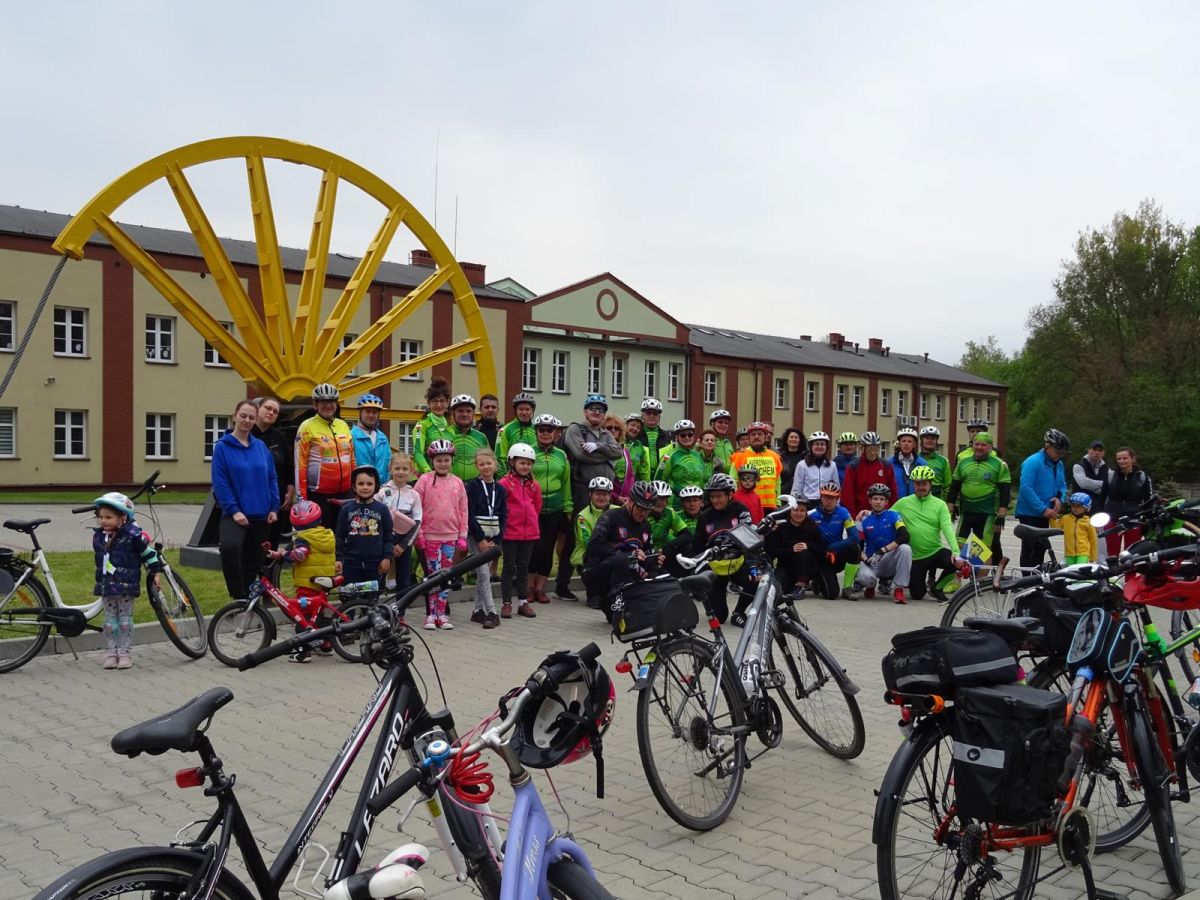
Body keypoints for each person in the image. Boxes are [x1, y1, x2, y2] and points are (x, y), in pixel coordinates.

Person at [213, 399, 280, 602]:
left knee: (253, 560)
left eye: (251, 417)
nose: (247, 420)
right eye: (243, 416)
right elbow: (220, 482)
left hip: (261, 514)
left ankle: (248, 602)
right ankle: (238, 596)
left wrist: (274, 507)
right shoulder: (222, 447)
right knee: (230, 548)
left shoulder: (260, 447)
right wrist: (234, 510)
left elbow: (272, 477)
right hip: (234, 514)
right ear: (235, 416)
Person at [90, 492, 163, 669]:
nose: (103, 521)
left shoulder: (132, 536)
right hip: (107, 585)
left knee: (124, 621)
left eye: (108, 517)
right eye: (101, 517)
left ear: (122, 518)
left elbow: (148, 554)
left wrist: (155, 572)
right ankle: (111, 652)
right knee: (109, 622)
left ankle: (124, 653)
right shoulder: (99, 537)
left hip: (126, 586)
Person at [270, 499, 336, 662]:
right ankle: (326, 644)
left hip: (308, 582)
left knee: (303, 615)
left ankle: (303, 651)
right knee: (319, 613)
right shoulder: (326, 535)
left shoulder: (304, 538)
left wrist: (286, 555)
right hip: (324, 580)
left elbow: (300, 554)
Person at [414, 439, 468, 630]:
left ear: (451, 460)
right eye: (439, 460)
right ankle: (430, 614)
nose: (443, 464)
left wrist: (463, 535)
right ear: (432, 461)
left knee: (446, 576)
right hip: (430, 536)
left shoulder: (458, 482)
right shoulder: (424, 480)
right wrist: (419, 533)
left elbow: (463, 510)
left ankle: (442, 613)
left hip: (451, 537)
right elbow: (416, 508)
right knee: (432, 576)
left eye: (446, 460)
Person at [583, 481, 658, 618]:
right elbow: (594, 547)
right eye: (640, 508)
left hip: (626, 574)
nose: (643, 514)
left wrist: (655, 559)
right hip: (596, 572)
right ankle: (614, 605)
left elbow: (647, 553)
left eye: (648, 510)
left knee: (659, 568)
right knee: (621, 559)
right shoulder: (610, 516)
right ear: (630, 502)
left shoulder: (646, 526)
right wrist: (629, 554)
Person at [892, 465, 963, 602]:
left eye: (924, 484)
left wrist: (956, 551)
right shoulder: (903, 503)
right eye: (917, 484)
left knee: (955, 562)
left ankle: (937, 588)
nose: (920, 487)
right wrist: (867, 514)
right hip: (915, 557)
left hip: (934, 551)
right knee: (917, 595)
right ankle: (922, 583)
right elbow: (886, 517)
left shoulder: (940, 505)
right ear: (913, 484)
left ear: (930, 484)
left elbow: (947, 528)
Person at [692, 473, 754, 624]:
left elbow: (750, 540)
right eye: (712, 496)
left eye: (719, 496)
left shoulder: (741, 510)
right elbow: (698, 547)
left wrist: (753, 565)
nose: (715, 500)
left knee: (756, 580)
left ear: (730, 495)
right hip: (716, 568)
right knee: (719, 617)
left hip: (737, 562)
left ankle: (739, 612)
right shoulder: (704, 517)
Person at [295, 383, 355, 528]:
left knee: (345, 535)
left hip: (346, 494)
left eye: (332, 401)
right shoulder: (306, 426)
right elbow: (300, 464)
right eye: (323, 402)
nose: (328, 405)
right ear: (315, 404)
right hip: (319, 495)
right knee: (323, 537)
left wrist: (356, 487)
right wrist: (301, 498)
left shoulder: (343, 425)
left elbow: (352, 459)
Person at [946, 432, 1010, 565]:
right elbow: (954, 488)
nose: (979, 447)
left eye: (983, 445)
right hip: (967, 513)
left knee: (983, 551)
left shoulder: (999, 464)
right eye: (976, 444)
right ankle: (964, 575)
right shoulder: (963, 463)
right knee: (960, 547)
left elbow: (1005, 491)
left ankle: (982, 578)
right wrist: (949, 510)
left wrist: (1002, 515)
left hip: (987, 514)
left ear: (991, 447)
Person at [529, 413, 573, 604]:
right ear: (536, 432)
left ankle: (540, 588)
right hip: (533, 509)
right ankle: (529, 587)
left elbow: (566, 482)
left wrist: (568, 507)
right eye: (542, 430)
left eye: (549, 430)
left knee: (548, 550)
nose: (545, 433)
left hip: (555, 508)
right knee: (535, 549)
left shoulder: (561, 455)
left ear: (556, 433)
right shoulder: (529, 452)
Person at [1016, 428, 1070, 568]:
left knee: (1041, 547)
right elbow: (1026, 488)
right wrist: (1042, 509)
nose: (1060, 455)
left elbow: (1062, 485)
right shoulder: (1033, 462)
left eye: (1062, 453)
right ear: (1048, 446)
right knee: (1029, 547)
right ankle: (1026, 577)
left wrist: (1059, 499)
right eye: (1058, 452)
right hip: (1029, 512)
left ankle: (1037, 576)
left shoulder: (1058, 464)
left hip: (1046, 513)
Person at [499, 442, 542, 619]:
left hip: (529, 533)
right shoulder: (504, 483)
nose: (525, 466)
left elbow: (537, 507)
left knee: (524, 568)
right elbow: (500, 506)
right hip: (510, 533)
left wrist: (531, 523)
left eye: (529, 463)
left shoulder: (534, 486)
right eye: (522, 463)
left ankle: (523, 603)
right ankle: (506, 602)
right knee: (509, 568)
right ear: (512, 462)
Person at [335, 465, 393, 593]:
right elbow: (339, 536)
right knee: (349, 597)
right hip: (351, 564)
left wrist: (387, 558)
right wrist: (338, 559)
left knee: (371, 599)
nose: (365, 487)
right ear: (354, 486)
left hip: (375, 564)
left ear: (376, 486)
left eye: (369, 484)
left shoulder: (383, 510)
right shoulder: (346, 509)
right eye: (361, 484)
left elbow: (388, 536)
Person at [466, 447, 505, 628]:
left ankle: (477, 611)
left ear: (495, 464)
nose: (486, 467)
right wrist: (480, 539)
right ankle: (492, 612)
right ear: (476, 466)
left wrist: (497, 540)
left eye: (488, 463)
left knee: (484, 576)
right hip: (476, 537)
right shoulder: (472, 486)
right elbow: (469, 514)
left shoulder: (500, 488)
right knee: (483, 574)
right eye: (481, 464)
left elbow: (503, 515)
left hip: (492, 537)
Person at [854, 483, 912, 604]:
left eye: (881, 499)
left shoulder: (894, 516)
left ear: (886, 502)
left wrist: (883, 551)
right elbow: (857, 545)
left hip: (888, 559)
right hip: (871, 561)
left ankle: (899, 589)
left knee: (905, 549)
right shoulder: (863, 519)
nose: (878, 502)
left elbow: (905, 536)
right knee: (865, 578)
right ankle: (870, 586)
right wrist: (866, 559)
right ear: (869, 500)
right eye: (875, 498)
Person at [375, 451, 422, 593]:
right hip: (384, 539)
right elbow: (374, 516)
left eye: (405, 469)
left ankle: (401, 607)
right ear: (390, 469)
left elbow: (418, 521)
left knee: (403, 580)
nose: (401, 472)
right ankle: (373, 605)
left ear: (411, 471)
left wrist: (403, 545)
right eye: (397, 468)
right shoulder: (382, 492)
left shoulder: (414, 494)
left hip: (404, 541)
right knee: (379, 575)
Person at [766, 496, 828, 598]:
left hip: (808, 567)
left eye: (802, 510)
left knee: (802, 552)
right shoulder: (780, 526)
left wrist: (808, 546)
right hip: (786, 566)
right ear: (790, 511)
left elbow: (822, 551)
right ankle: (792, 584)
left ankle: (802, 584)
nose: (799, 513)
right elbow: (772, 551)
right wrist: (791, 549)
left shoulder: (812, 526)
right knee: (777, 590)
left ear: (806, 512)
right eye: (795, 510)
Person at [253, 396, 295, 545]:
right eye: (268, 408)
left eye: (275, 411)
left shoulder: (279, 438)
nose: (271, 413)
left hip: (276, 498)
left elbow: (289, 467)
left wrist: (290, 492)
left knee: (272, 542)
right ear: (258, 409)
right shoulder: (246, 434)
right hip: (253, 497)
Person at [808, 482, 861, 599]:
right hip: (822, 557)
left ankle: (847, 588)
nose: (829, 501)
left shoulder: (843, 512)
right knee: (831, 594)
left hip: (837, 554)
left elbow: (855, 537)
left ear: (837, 499)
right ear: (821, 497)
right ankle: (816, 579)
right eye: (826, 497)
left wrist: (833, 547)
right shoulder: (811, 514)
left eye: (832, 498)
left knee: (855, 548)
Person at [572, 476, 616, 608]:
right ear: (590, 494)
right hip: (587, 556)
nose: (601, 497)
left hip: (612, 550)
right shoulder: (582, 517)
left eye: (605, 494)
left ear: (610, 496)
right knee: (596, 558)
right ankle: (593, 595)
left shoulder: (618, 511)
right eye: (598, 494)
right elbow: (589, 543)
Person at [1104, 446, 1154, 555]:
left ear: (1133, 459)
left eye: (1125, 458)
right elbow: (1102, 498)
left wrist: (1148, 519)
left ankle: (1129, 568)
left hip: (1134, 520)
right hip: (1112, 520)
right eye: (1119, 459)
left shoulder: (1142, 477)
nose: (1121, 461)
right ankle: (1114, 567)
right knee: (1112, 553)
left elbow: (1148, 500)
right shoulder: (1110, 476)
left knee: (1132, 553)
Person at [730, 422, 784, 510]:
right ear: (749, 438)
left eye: (760, 434)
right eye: (753, 434)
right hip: (747, 505)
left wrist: (778, 502)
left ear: (765, 437)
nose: (756, 436)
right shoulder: (740, 456)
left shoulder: (774, 456)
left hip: (771, 506)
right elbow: (733, 481)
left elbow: (778, 482)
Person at [842, 432, 897, 517]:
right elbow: (848, 495)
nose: (873, 453)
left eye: (876, 449)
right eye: (870, 450)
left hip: (883, 514)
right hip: (861, 515)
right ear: (862, 448)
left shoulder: (886, 465)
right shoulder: (854, 466)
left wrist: (893, 512)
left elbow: (893, 491)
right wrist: (853, 516)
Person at [656, 419, 707, 502]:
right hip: (676, 503)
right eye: (683, 435)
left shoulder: (698, 455)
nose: (687, 437)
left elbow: (703, 479)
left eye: (690, 435)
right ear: (677, 437)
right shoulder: (668, 457)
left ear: (693, 436)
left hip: (696, 503)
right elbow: (658, 481)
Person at [412, 377, 454, 475]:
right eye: (435, 401)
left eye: (442, 401)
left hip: (444, 477)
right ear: (429, 403)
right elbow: (418, 453)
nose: (439, 405)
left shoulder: (451, 428)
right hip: (424, 476)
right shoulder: (422, 426)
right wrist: (429, 472)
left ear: (447, 403)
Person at [349, 393, 392, 484]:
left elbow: (389, 463)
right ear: (360, 413)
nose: (371, 415)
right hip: (361, 487)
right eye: (368, 411)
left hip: (381, 487)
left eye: (374, 412)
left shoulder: (382, 438)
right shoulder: (352, 436)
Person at [790, 431, 840, 505]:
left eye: (822, 444)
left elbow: (836, 486)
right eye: (816, 444)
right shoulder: (802, 465)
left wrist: (836, 504)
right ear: (811, 446)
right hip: (807, 503)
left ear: (826, 447)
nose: (819, 447)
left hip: (826, 503)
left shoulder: (832, 465)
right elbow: (796, 489)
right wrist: (796, 505)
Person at [447, 394, 489, 481]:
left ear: (473, 413)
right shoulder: (445, 434)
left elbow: (489, 462)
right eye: (460, 411)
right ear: (453, 413)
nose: (465, 414)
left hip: (475, 485)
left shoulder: (481, 437)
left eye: (468, 411)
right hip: (449, 484)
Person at [496, 391, 538, 475]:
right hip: (512, 478)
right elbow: (500, 458)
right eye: (521, 409)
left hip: (534, 478)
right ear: (515, 410)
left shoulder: (537, 430)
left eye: (527, 409)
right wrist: (503, 479)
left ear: (532, 410)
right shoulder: (505, 430)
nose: (524, 413)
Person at [607, 414, 645, 502]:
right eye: (632, 425)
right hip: (611, 489)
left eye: (638, 427)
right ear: (624, 425)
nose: (635, 428)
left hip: (627, 490)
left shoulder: (639, 446)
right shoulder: (618, 443)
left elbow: (639, 472)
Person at [1055, 492, 1098, 564]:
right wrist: (1052, 517)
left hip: (1083, 553)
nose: (1075, 508)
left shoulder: (1088, 522)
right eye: (1073, 505)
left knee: (1080, 570)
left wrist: (1093, 556)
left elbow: (1093, 540)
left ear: (1086, 507)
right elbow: (1055, 527)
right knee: (1071, 570)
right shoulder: (1065, 519)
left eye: (1078, 506)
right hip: (1069, 553)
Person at [648, 480, 689, 552]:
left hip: (662, 553)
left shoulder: (670, 513)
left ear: (667, 500)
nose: (659, 502)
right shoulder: (641, 512)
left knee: (687, 546)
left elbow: (687, 535)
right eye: (656, 498)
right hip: (642, 552)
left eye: (663, 498)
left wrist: (670, 546)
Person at [636, 398, 673, 474]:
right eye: (648, 413)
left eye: (655, 414)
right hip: (640, 476)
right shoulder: (636, 435)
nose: (651, 416)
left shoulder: (667, 436)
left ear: (659, 416)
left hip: (661, 476)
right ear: (643, 416)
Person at [887, 427, 926, 500]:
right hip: (896, 503)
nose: (906, 444)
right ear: (899, 443)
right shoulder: (889, 463)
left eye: (909, 441)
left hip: (916, 503)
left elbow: (926, 486)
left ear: (914, 444)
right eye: (903, 441)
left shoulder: (922, 463)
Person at [1072, 440, 1108, 514]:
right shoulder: (1078, 466)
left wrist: (1091, 485)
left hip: (1099, 511)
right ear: (1088, 450)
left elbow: (1109, 487)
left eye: (1100, 450)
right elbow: (1084, 483)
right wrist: (1103, 484)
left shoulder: (1106, 469)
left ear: (1103, 453)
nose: (1097, 452)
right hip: (1080, 510)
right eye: (1094, 449)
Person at [918, 426, 951, 499]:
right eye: (927, 438)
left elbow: (947, 485)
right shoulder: (915, 459)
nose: (930, 441)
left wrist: (944, 502)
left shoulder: (943, 461)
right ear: (921, 440)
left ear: (936, 441)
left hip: (937, 498)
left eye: (933, 438)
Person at [777, 428, 806, 497]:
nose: (793, 439)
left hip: (800, 495)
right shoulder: (778, 456)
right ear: (787, 440)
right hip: (782, 494)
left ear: (800, 440)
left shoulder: (805, 457)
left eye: (796, 437)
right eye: (791, 437)